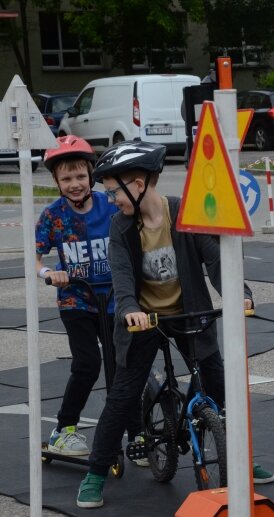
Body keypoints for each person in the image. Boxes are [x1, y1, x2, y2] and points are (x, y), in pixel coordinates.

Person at [75, 141, 274, 509]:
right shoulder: (121, 228)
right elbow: (121, 278)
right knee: (122, 398)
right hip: (143, 320)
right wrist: (130, 309)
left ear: (137, 184)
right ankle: (95, 474)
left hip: (188, 313)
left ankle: (240, 461)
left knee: (219, 384)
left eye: (113, 191)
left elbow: (215, 260)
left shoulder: (183, 214)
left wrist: (238, 292)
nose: (111, 200)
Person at [35, 135, 144, 459]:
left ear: (91, 175)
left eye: (80, 176)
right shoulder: (53, 216)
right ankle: (64, 430)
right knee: (88, 363)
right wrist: (48, 273)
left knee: (122, 365)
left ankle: (137, 432)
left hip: (114, 297)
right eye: (66, 178)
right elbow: (35, 256)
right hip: (77, 300)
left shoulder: (109, 205)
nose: (75, 184)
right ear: (56, 180)